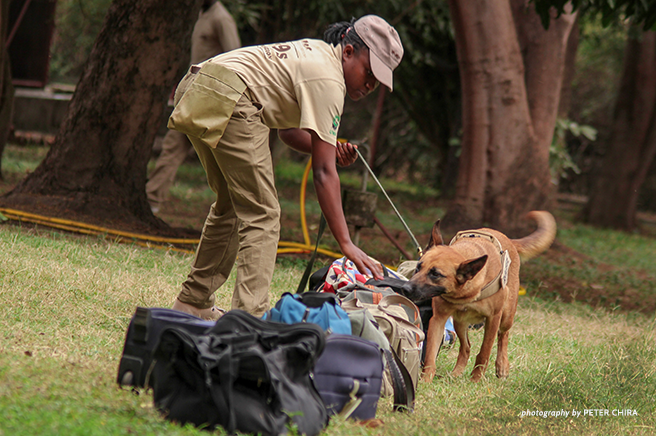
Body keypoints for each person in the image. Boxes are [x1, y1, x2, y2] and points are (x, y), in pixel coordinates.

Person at [169, 15, 404, 320]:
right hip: (232, 96)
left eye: (379, 81)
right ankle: (248, 321)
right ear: (348, 52)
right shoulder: (330, 82)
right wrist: (346, 243)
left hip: (200, 85)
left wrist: (331, 152)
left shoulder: (317, 53)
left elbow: (288, 132)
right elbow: (322, 173)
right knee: (263, 214)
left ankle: (193, 302)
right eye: (369, 72)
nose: (370, 84)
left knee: (231, 204)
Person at [146, 0, 241, 214]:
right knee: (176, 146)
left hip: (210, 96)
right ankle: (152, 200)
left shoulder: (221, 18)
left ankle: (152, 199)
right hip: (193, 91)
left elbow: (236, 58)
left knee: (178, 147)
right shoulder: (202, 15)